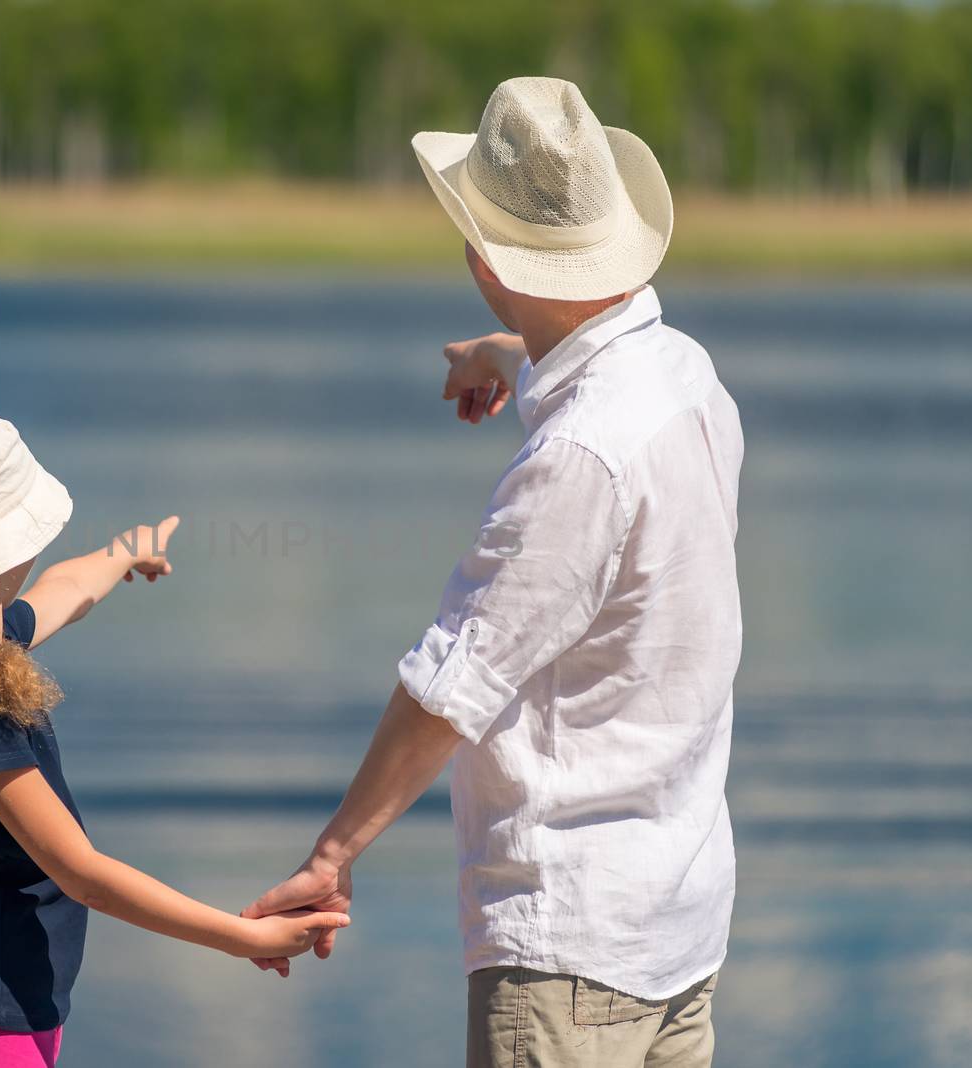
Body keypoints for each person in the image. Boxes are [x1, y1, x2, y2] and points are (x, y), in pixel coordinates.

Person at [243, 78, 744, 1068]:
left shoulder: (574, 460)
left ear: (483, 259)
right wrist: (508, 354)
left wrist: (332, 854)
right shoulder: (684, 373)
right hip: (682, 920)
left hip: (570, 948)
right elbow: (594, 372)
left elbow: (449, 688)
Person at [0, 404, 348, 1068]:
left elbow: (63, 589)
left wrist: (125, 553)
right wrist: (239, 936)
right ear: (5, 549)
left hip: (1, 1005)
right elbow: (82, 872)